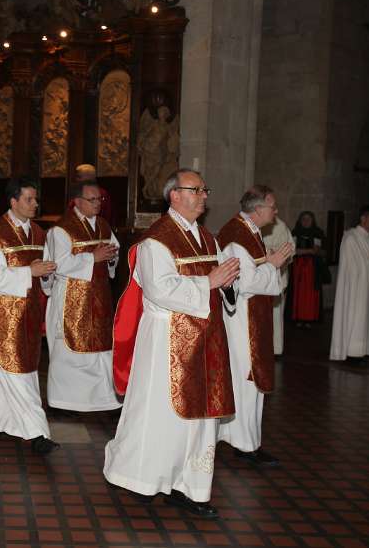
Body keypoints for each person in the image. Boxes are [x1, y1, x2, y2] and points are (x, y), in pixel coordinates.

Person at [104, 169, 239, 519]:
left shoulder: (207, 239)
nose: (204, 195)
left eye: (205, 190)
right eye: (197, 190)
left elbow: (221, 283)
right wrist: (210, 282)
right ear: (174, 195)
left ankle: (191, 487)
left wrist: (227, 284)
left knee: (201, 418)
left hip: (205, 340)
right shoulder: (156, 241)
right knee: (160, 414)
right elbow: (159, 290)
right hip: (167, 340)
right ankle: (143, 479)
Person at [0, 177, 59, 454]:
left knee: (6, 366)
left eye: (36, 199)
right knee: (16, 369)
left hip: (30, 310)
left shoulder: (39, 233)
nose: (35, 204)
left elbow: (45, 274)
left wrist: (46, 275)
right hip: (5, 312)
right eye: (29, 199)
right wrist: (30, 272)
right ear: (13, 201)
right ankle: (37, 432)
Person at [217, 186, 293, 468]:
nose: (276, 211)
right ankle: (245, 445)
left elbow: (250, 271)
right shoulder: (237, 237)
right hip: (241, 322)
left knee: (246, 381)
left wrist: (268, 262)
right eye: (273, 207)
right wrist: (273, 265)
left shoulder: (248, 231)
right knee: (245, 380)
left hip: (249, 318)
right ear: (258, 209)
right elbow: (247, 283)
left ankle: (243, 439)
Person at [44, 180, 121, 413]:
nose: (97, 203)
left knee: (101, 348)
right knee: (69, 350)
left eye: (99, 199)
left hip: (99, 296)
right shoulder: (61, 230)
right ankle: (63, 402)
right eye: (92, 199)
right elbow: (58, 264)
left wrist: (111, 258)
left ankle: (102, 400)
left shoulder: (104, 225)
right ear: (77, 201)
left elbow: (114, 252)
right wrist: (92, 258)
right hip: (71, 297)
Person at [330, 205, 369, 361]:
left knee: (366, 320)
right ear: (363, 218)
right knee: (356, 318)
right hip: (356, 289)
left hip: (367, 287)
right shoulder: (351, 238)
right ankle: (353, 353)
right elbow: (353, 266)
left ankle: (364, 350)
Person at [262, 215, 294, 354]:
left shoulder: (280, 226)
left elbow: (290, 250)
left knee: (275, 313)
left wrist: (272, 254)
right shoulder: (252, 225)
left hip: (276, 275)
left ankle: (275, 348)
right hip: (257, 277)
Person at [290, 211, 327, 325]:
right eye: (303, 219)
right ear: (300, 221)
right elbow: (293, 250)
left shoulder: (317, 232)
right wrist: (308, 251)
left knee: (310, 293)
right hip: (298, 268)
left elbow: (317, 250)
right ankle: (298, 317)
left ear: (313, 221)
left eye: (308, 219)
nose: (306, 221)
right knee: (298, 293)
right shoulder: (295, 232)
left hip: (312, 268)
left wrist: (303, 251)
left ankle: (310, 318)